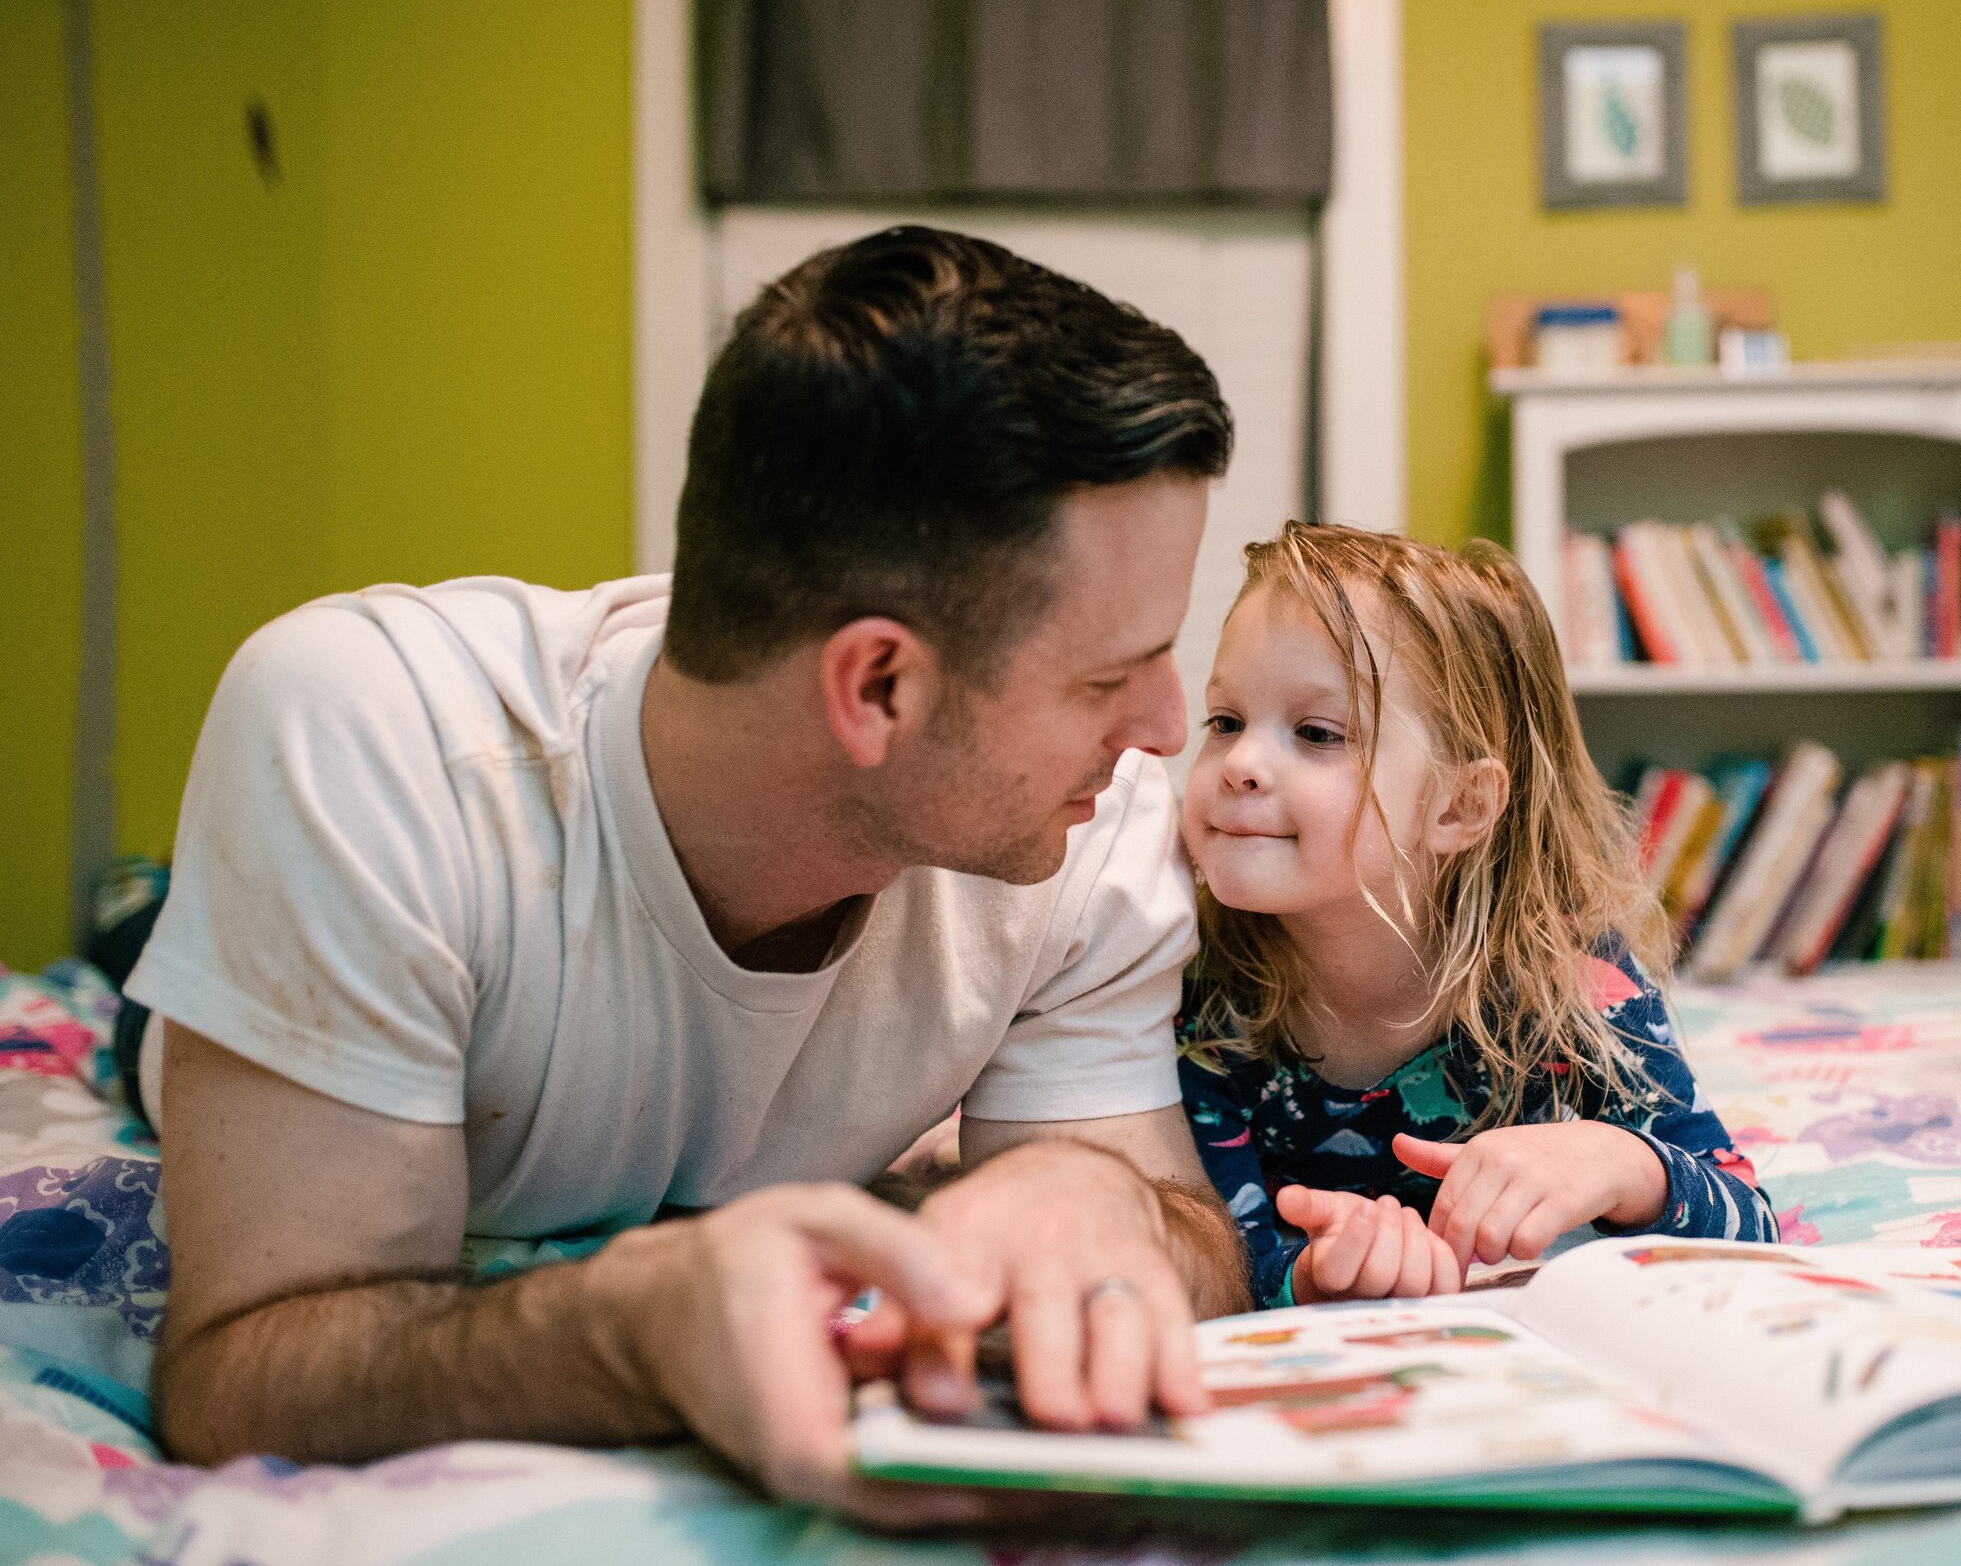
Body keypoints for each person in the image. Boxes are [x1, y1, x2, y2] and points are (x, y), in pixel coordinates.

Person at [124, 227, 1253, 1519]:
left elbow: (1183, 1230)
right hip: (323, 943)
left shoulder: (1085, 817)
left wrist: (1105, 1195)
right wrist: (628, 1320)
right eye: (1109, 679)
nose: (1171, 728)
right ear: (878, 683)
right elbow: (237, 1366)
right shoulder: (377, 748)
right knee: (158, 979)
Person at [1176, 525, 1778, 1307]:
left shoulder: (1569, 979)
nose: (1241, 764)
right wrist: (1311, 1272)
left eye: (1317, 733)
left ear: (1459, 806)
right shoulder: (1195, 986)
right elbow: (1213, 1250)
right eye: (1224, 721)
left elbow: (1752, 1224)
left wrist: (1621, 1162)